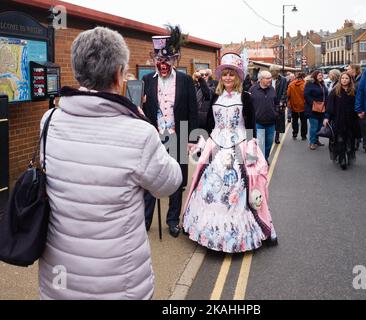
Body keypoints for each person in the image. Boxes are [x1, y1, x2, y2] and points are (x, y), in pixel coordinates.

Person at [38, 27, 182, 300]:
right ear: (118, 74)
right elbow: (169, 183)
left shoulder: (49, 122)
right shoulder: (139, 133)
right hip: (119, 285)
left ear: (78, 71)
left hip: (59, 280)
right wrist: (142, 121)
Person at [182, 52, 278, 253]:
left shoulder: (246, 97)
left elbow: (251, 125)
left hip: (239, 143)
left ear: (237, 77)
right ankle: (209, 232)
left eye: (231, 75)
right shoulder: (215, 96)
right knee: (209, 185)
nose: (227, 78)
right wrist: (199, 141)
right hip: (216, 143)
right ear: (220, 76)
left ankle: (238, 232)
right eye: (225, 74)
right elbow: (209, 123)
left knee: (237, 186)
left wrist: (251, 150)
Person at [142, 25, 198, 238]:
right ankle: (145, 220)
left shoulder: (185, 81)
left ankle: (173, 220)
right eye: (159, 61)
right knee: (150, 178)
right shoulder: (146, 81)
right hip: (153, 138)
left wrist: (191, 139)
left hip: (178, 135)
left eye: (166, 61)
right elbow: (136, 110)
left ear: (173, 61)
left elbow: (193, 111)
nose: (162, 65)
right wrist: (140, 103)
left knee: (176, 180)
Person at [323, 72, 361, 170]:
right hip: (338, 120)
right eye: (342, 78)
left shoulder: (354, 91)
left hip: (351, 121)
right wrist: (327, 117)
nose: (344, 80)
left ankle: (348, 155)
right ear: (340, 80)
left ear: (350, 80)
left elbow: (358, 105)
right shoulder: (335, 91)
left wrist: (360, 112)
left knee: (349, 140)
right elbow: (329, 106)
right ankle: (342, 159)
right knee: (340, 140)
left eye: (346, 78)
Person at [250, 70, 278, 162]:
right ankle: (261, 162)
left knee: (269, 144)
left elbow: (276, 103)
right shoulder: (253, 90)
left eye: (270, 78)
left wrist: (276, 112)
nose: (270, 80)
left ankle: (265, 159)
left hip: (271, 123)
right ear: (261, 79)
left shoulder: (272, 89)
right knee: (260, 145)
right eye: (267, 78)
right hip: (258, 122)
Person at [347, 64, 366, 153]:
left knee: (364, 126)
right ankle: (356, 142)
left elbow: (364, 94)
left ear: (354, 70)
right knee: (354, 126)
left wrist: (362, 108)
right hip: (352, 106)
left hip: (360, 107)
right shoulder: (350, 79)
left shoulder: (362, 79)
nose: (347, 70)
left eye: (348, 69)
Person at [304, 70, 328, 150]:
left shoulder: (322, 84)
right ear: (314, 76)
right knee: (314, 127)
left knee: (319, 126)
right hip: (312, 110)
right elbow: (306, 95)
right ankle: (312, 142)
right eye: (319, 75)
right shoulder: (310, 84)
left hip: (322, 109)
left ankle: (316, 140)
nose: (321, 77)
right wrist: (314, 104)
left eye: (321, 75)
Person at [269, 65, 288, 145]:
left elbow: (284, 91)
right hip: (269, 102)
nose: (272, 73)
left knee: (278, 120)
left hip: (279, 102)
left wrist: (282, 101)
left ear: (277, 72)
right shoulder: (268, 78)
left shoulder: (283, 80)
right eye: (271, 71)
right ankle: (270, 136)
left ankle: (277, 137)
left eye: (273, 71)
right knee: (270, 120)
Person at [287, 72, 307, 141]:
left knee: (295, 120)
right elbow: (307, 95)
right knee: (303, 121)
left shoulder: (291, 84)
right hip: (303, 106)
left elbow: (288, 94)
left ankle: (294, 133)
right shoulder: (305, 84)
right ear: (303, 77)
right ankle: (303, 135)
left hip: (294, 105)